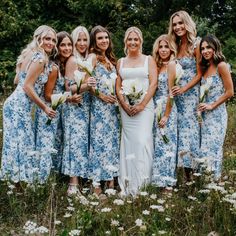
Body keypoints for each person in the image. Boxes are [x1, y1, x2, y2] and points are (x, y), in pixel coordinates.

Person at [0, 25, 57, 183]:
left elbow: (17, 80)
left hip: (13, 103)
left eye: (53, 40)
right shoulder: (39, 59)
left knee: (15, 144)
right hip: (19, 106)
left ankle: (13, 182)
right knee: (20, 144)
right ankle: (18, 184)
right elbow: (26, 86)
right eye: (47, 39)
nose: (51, 42)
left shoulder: (30, 55)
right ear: (38, 39)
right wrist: (44, 107)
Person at [116, 26, 157, 196]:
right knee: (128, 143)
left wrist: (141, 105)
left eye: (136, 39)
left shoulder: (149, 60)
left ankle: (142, 184)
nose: (133, 42)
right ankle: (127, 184)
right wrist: (124, 105)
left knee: (142, 141)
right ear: (125, 42)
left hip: (144, 108)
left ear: (140, 41)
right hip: (126, 109)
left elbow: (153, 83)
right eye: (129, 39)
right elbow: (117, 86)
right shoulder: (121, 62)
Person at [34, 31, 78, 183]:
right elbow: (47, 95)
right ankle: (41, 182)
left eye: (69, 45)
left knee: (56, 144)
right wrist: (69, 98)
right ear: (57, 47)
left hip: (58, 111)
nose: (67, 48)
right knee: (46, 145)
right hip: (49, 110)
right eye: (63, 45)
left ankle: (54, 180)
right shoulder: (53, 66)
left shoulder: (65, 64)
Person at [168, 10, 201, 181]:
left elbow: (200, 73)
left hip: (191, 97)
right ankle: (184, 178)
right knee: (180, 135)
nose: (178, 27)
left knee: (191, 135)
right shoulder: (173, 45)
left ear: (187, 24)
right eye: (175, 24)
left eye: (181, 23)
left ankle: (194, 178)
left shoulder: (196, 44)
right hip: (176, 99)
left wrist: (184, 89)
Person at [62, 26, 95, 195]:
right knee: (74, 143)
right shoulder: (73, 60)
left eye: (85, 40)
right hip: (74, 108)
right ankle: (73, 184)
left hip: (86, 107)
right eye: (79, 40)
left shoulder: (86, 59)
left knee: (83, 144)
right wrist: (87, 86)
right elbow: (69, 87)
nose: (82, 43)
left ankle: (81, 182)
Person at [89, 25, 120, 197]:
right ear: (94, 41)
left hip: (112, 110)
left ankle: (110, 182)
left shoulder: (110, 59)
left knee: (111, 144)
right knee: (99, 144)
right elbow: (87, 83)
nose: (104, 41)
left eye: (106, 38)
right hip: (100, 109)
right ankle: (96, 186)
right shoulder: (92, 57)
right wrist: (101, 96)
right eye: (100, 38)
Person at [198, 35, 234, 180]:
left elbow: (230, 92)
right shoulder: (205, 68)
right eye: (202, 48)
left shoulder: (221, 66)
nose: (205, 51)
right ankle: (204, 183)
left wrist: (212, 105)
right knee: (204, 149)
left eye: (208, 47)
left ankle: (213, 183)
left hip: (217, 114)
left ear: (215, 48)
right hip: (205, 116)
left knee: (213, 149)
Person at [151, 34, 177, 188]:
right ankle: (157, 182)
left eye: (166, 46)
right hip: (155, 108)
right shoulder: (156, 65)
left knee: (167, 146)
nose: (163, 49)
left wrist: (166, 115)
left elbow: (171, 93)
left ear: (171, 48)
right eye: (160, 47)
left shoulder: (172, 65)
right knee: (158, 146)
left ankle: (167, 184)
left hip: (168, 109)